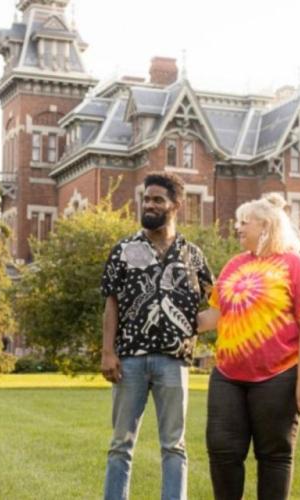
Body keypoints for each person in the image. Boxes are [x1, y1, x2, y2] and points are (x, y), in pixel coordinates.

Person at [197, 193, 300, 500]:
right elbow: (214, 316)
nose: (238, 228)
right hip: (228, 375)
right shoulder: (233, 265)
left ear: (266, 226)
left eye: (245, 222)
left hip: (278, 375)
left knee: (273, 455)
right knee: (222, 451)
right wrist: (170, 315)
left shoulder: (296, 265)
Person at [101, 172, 213, 500]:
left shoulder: (193, 256)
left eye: (157, 200)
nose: (149, 205)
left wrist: (195, 328)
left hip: (173, 362)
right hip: (130, 361)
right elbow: (111, 301)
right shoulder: (124, 249)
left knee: (174, 446)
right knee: (121, 444)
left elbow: (220, 300)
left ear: (175, 205)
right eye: (146, 199)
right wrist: (108, 351)